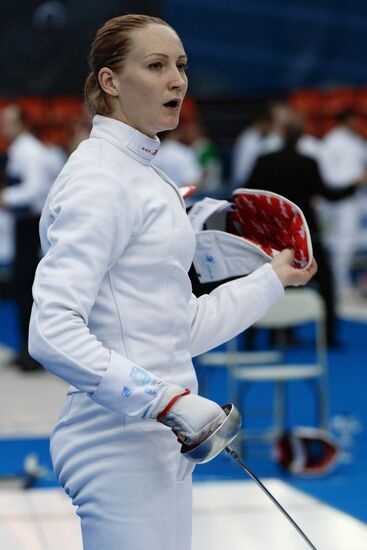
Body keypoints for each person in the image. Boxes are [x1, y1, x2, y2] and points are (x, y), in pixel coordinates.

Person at [28, 15, 316, 550]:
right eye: (156, 66)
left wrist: (272, 279)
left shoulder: (146, 175)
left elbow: (175, 328)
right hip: (117, 442)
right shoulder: (99, 180)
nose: (177, 81)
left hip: (158, 439)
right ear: (110, 81)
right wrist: (165, 401)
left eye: (181, 66)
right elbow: (50, 332)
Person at [246, 110, 367, 346]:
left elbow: (248, 195)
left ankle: (255, 339)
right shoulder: (308, 163)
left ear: (280, 134)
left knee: (263, 279)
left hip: (273, 236)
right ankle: (329, 337)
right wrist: (355, 185)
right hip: (305, 236)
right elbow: (329, 194)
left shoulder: (264, 162)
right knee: (326, 282)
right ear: (301, 136)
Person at [0, 104, 55, 371]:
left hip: (31, 224)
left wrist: (5, 197)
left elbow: (35, 190)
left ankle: (32, 352)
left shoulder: (28, 151)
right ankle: (25, 347)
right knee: (22, 287)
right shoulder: (20, 149)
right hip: (24, 222)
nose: (3, 127)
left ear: (21, 123)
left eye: (7, 122)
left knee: (28, 287)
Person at [319, 109, 367, 297]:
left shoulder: (356, 141)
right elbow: (329, 176)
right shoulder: (331, 143)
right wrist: (355, 179)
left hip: (357, 197)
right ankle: (340, 284)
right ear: (346, 121)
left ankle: (349, 281)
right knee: (342, 243)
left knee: (351, 241)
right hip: (339, 201)